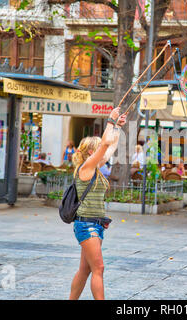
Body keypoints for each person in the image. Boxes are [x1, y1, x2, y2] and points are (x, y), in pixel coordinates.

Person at [69, 107, 126, 300]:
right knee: (99, 268)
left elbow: (111, 146)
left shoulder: (96, 167)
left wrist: (117, 126)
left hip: (96, 224)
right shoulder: (85, 168)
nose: (103, 151)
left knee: (85, 271)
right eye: (98, 148)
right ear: (91, 151)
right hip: (86, 225)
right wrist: (110, 121)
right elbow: (106, 144)